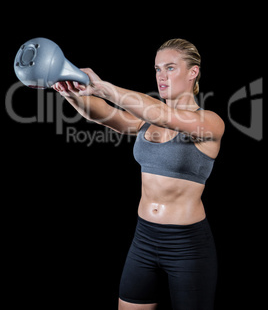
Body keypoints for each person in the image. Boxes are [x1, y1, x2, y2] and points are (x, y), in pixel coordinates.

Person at [53, 38, 225, 310]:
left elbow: (166, 116)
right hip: (144, 239)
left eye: (170, 68)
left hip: (187, 247)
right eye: (157, 69)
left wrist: (104, 87)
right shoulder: (147, 118)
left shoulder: (210, 123)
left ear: (193, 72)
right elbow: (107, 116)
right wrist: (70, 93)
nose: (161, 76)